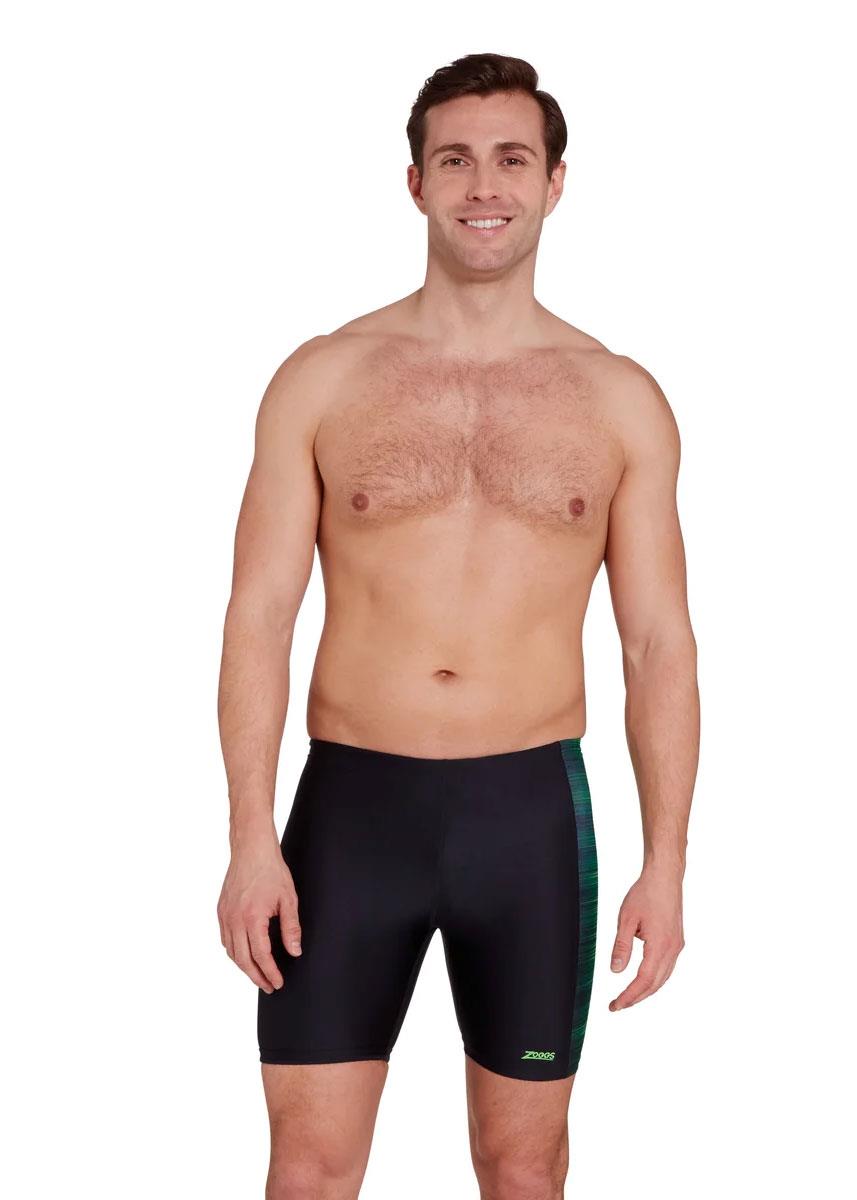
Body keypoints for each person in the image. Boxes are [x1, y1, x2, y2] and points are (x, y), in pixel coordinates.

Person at [217, 51, 699, 1200]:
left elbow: (656, 647)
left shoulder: (618, 398)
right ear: (415, 182)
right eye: (456, 160)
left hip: (525, 816)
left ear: (554, 182)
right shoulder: (322, 378)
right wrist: (248, 838)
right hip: (349, 814)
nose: (484, 185)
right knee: (307, 1169)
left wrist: (665, 865)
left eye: (511, 160)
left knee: (523, 1169)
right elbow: (258, 617)